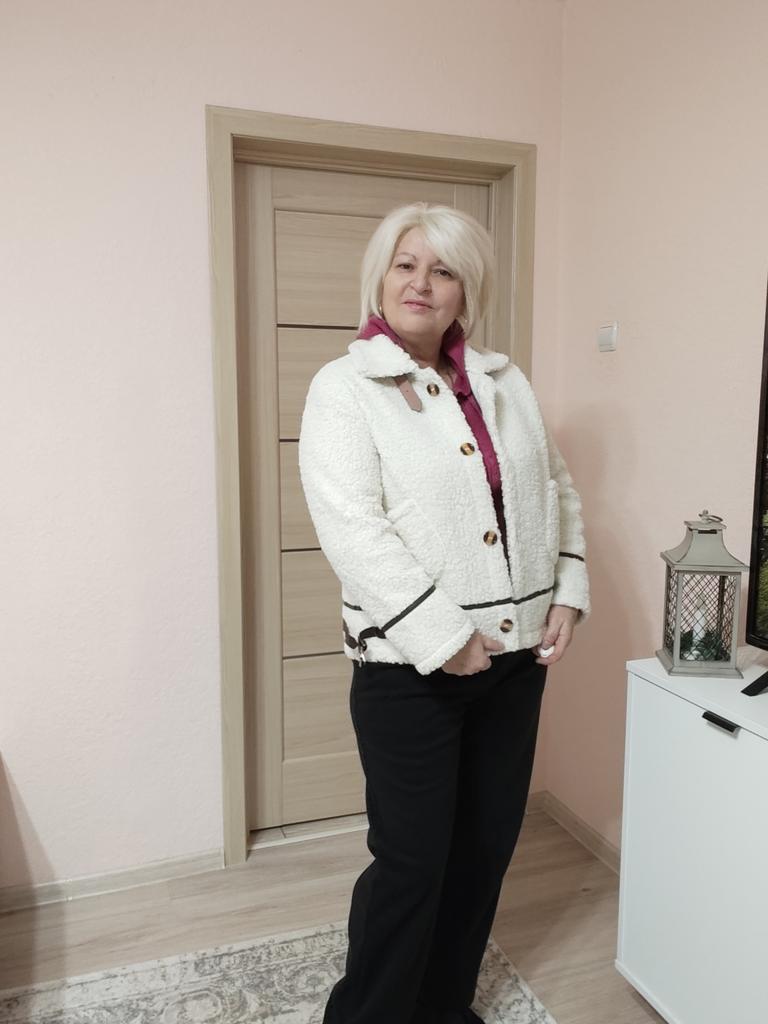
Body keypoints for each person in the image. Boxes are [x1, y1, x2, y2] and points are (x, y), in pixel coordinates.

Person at [298, 202, 590, 1024]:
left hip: (515, 666)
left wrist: (567, 591)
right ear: (381, 277)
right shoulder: (344, 389)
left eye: (443, 269)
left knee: (483, 851)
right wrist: (445, 635)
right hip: (410, 671)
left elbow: (556, 491)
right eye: (406, 264)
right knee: (411, 863)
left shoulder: (505, 382)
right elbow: (353, 530)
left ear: (467, 290)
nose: (421, 283)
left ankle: (442, 1009)